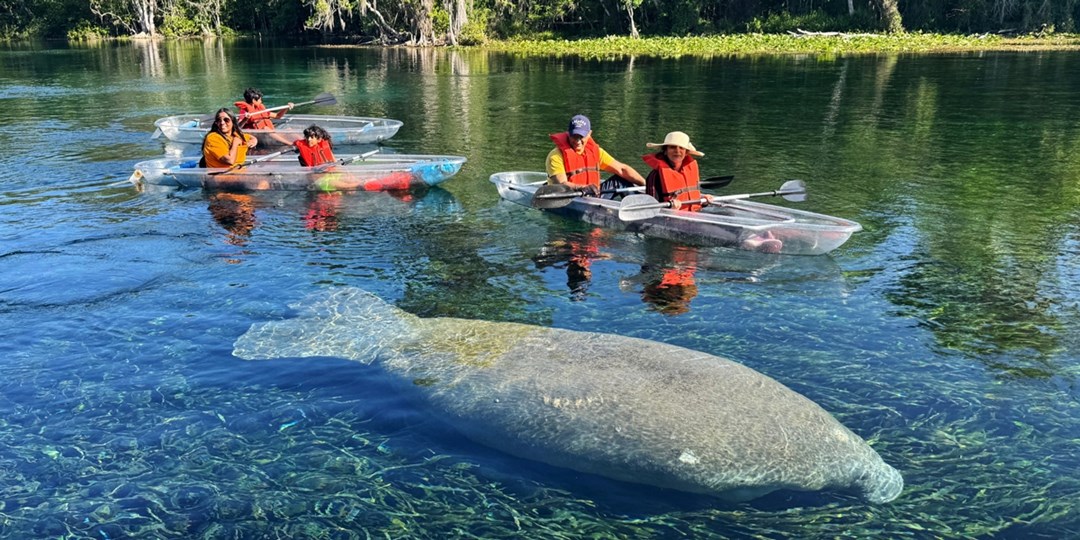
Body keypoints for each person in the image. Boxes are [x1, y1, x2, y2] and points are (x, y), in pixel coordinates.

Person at [642, 130, 782, 253]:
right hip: (672, 221)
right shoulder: (655, 176)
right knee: (708, 228)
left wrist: (702, 199)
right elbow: (650, 207)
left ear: (686, 152)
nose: (677, 151)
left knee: (728, 213)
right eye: (673, 147)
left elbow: (688, 195)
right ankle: (745, 243)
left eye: (681, 148)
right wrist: (670, 208)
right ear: (665, 150)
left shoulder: (687, 169)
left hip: (693, 215)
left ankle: (753, 236)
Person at [546, 114, 646, 198]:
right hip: (570, 196)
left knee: (621, 180)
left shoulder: (596, 152)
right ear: (568, 133)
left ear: (589, 134)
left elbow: (622, 170)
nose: (577, 141)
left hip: (593, 194)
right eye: (574, 136)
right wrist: (581, 187)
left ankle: (640, 207)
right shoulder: (555, 156)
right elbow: (562, 184)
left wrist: (646, 184)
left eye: (581, 136)